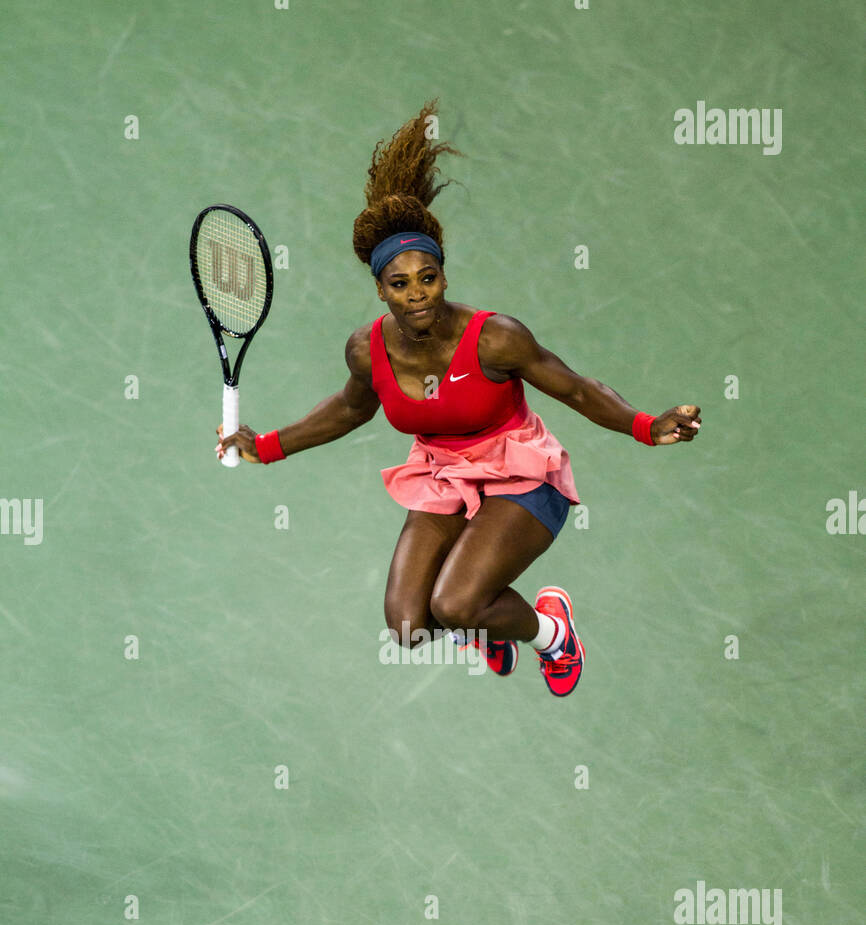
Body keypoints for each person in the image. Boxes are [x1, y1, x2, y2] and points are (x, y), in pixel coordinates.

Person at [218, 100, 701, 697]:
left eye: (428, 278)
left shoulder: (497, 338)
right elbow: (350, 408)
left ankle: (552, 632)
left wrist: (646, 425)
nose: (417, 294)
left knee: (454, 602)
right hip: (444, 478)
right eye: (400, 284)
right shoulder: (367, 351)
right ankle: (485, 620)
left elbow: (576, 387)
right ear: (380, 290)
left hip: (522, 477)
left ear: (444, 275)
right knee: (406, 626)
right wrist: (267, 444)